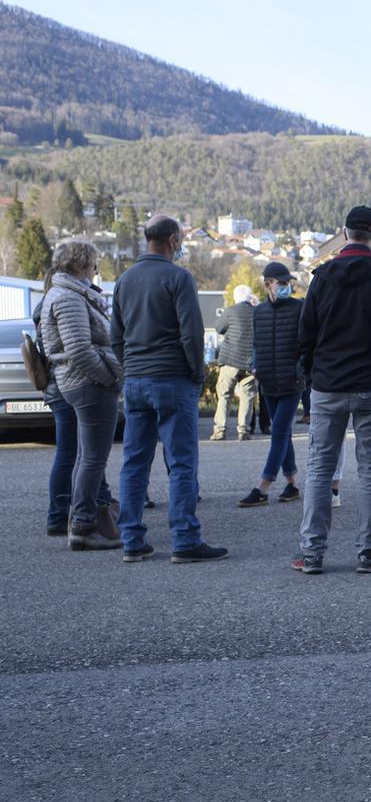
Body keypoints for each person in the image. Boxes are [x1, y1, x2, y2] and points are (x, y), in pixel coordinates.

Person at [293, 205, 371, 574]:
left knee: (319, 469)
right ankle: (368, 550)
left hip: (329, 385)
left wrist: (313, 375)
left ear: (345, 233)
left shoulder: (322, 277)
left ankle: (312, 553)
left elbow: (305, 336)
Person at [111, 215, 227, 564]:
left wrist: (130, 368)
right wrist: (196, 374)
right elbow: (191, 334)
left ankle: (131, 540)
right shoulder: (178, 277)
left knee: (134, 463)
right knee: (181, 463)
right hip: (173, 379)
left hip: (136, 381)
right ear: (173, 240)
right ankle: (185, 539)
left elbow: (115, 337)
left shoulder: (124, 279)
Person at [39, 240, 124, 550]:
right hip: (89, 385)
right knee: (92, 459)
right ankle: (84, 527)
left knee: (86, 457)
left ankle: (84, 522)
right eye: (92, 265)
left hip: (81, 384)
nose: (95, 271)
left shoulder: (66, 294)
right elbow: (78, 350)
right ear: (78, 266)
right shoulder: (68, 298)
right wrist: (110, 378)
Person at [238, 263, 304, 508]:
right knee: (282, 431)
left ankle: (263, 486)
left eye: (289, 283)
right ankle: (293, 483)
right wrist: (255, 366)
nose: (287, 287)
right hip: (267, 380)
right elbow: (256, 343)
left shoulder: (300, 308)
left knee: (278, 432)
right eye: (282, 283)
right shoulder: (259, 312)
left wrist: (300, 369)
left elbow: (308, 344)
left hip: (291, 381)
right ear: (268, 284)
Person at [211, 284, 257, 441]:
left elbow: (218, 328)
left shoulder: (230, 311)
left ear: (236, 297)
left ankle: (220, 430)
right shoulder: (256, 312)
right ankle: (243, 429)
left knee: (224, 395)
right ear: (250, 297)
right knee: (247, 396)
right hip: (250, 362)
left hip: (230, 360)